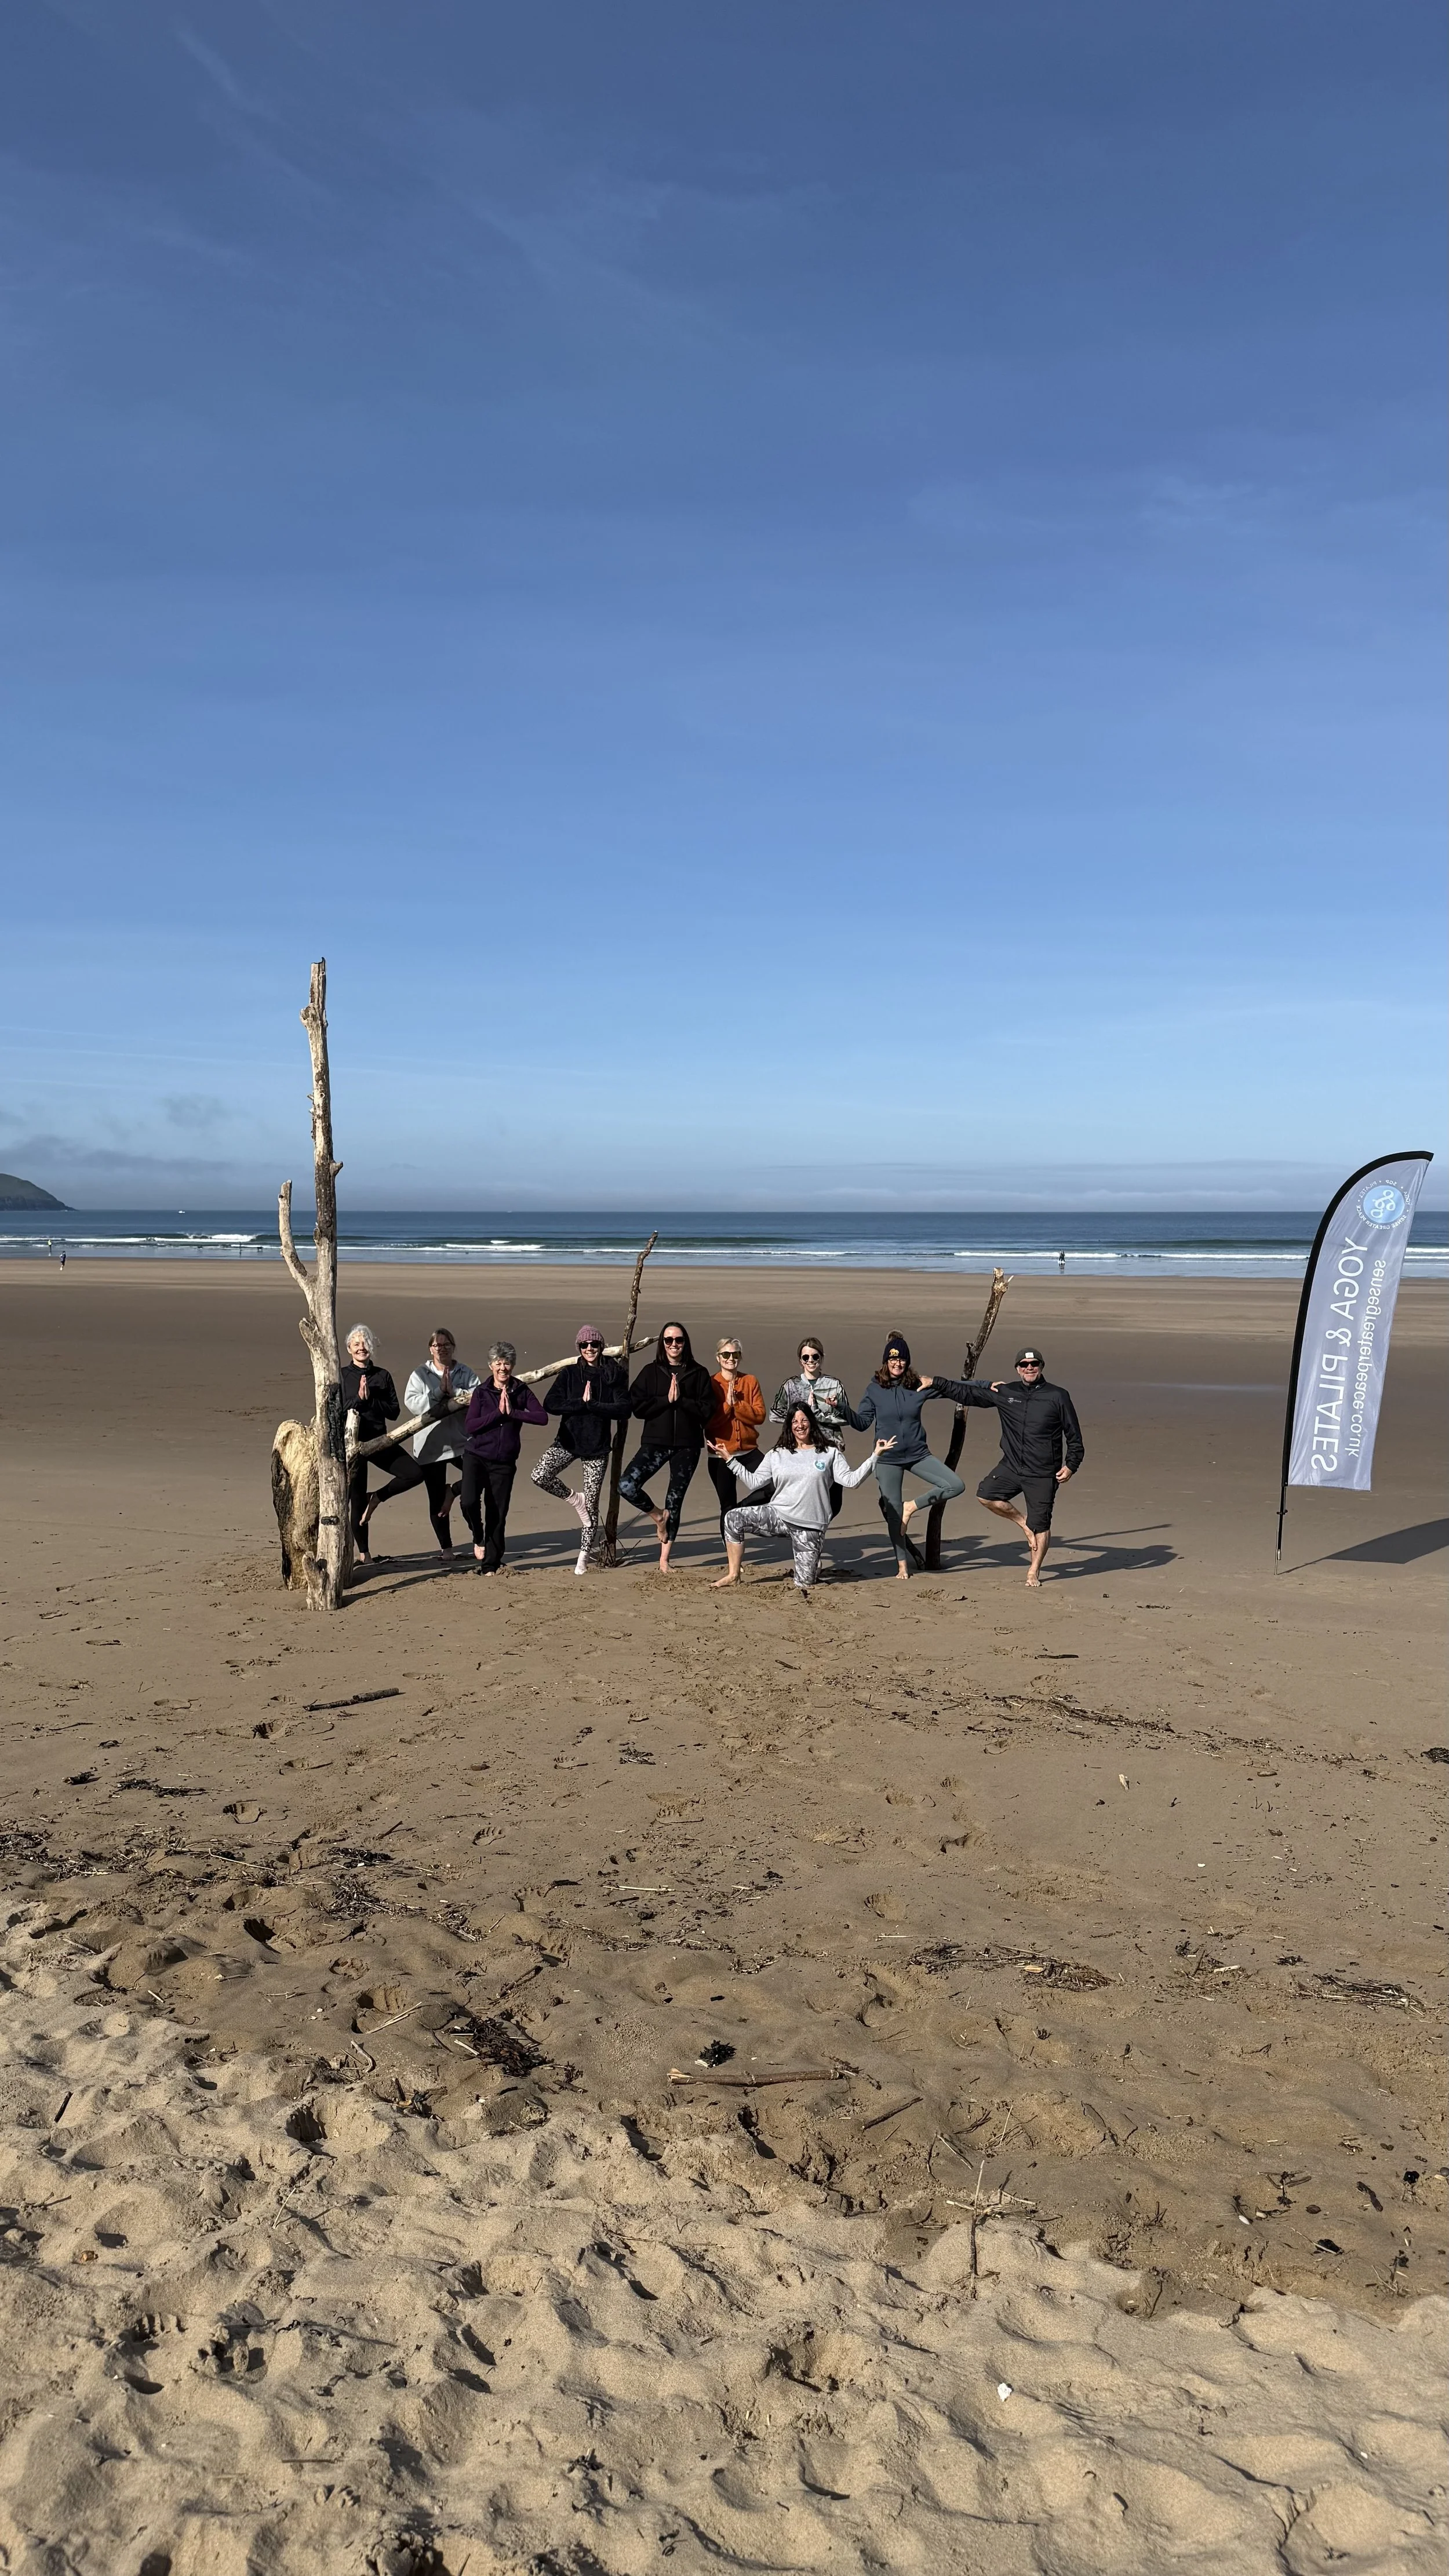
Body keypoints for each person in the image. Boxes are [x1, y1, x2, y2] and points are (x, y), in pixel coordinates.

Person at [711, 1405, 891, 1595]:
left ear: (812, 1423)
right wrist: (730, 1460)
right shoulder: (777, 1453)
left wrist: (875, 1456)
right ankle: (733, 1575)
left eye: (804, 1420)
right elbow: (754, 1482)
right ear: (789, 1426)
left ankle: (813, 1564)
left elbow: (852, 1481)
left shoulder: (829, 1453)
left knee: (804, 1584)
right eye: (795, 1421)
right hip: (778, 1516)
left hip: (810, 1526)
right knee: (732, 1518)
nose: (800, 1425)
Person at [957, 1345, 1084, 1588]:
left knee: (1042, 1525)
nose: (1029, 1368)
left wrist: (1071, 1465)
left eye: (1034, 1364)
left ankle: (1033, 1571)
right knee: (985, 1495)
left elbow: (1074, 1436)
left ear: (1041, 1367)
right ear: (1017, 1369)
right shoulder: (1007, 1392)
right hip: (1012, 1467)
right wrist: (935, 1384)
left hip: (1044, 1473)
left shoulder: (1058, 1396)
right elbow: (967, 1394)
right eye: (1024, 1365)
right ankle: (1023, 1522)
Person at [854, 1331, 973, 1580]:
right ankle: (902, 1565)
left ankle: (912, 1506)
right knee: (893, 1513)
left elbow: (956, 1389)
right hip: (887, 1458)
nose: (898, 1364)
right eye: (893, 1359)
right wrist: (841, 1409)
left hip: (918, 1454)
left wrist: (987, 1387)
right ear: (886, 1361)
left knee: (955, 1485)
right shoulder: (875, 1389)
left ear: (908, 1362)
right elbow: (862, 1422)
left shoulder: (917, 1384)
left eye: (902, 1360)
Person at [361, 1327, 479, 1559]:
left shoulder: (465, 1372)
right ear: (430, 1349)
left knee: (479, 1478)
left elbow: (479, 1400)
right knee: (436, 1500)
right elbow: (413, 1405)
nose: (442, 1349)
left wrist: (454, 1391)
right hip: (430, 1446)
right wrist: (438, 1392)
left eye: (447, 1345)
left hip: (461, 1443)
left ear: (453, 1347)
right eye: (438, 1345)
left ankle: (457, 1498)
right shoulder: (420, 1373)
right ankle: (447, 1549)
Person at [533, 1326, 631, 1575]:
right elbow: (551, 1404)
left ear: (601, 1347)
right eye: (585, 1345)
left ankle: (583, 1558)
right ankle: (573, 1498)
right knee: (539, 1476)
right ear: (579, 1348)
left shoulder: (613, 1373)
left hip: (597, 1448)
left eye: (594, 1345)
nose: (590, 1349)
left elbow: (624, 1409)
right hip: (568, 1441)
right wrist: (580, 1404)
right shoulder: (569, 1374)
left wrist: (596, 1406)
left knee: (592, 1506)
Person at [620, 1322, 715, 1571]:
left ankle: (664, 1560)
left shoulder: (699, 1372)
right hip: (656, 1442)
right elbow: (637, 1407)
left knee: (675, 1499)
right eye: (669, 1340)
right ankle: (657, 1516)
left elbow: (707, 1411)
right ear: (662, 1343)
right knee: (626, 1485)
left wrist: (682, 1401)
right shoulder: (651, 1372)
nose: (674, 1345)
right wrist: (665, 1400)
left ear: (686, 1343)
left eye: (679, 1340)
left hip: (687, 1445)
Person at [461, 1340, 548, 1574]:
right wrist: (498, 1414)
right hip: (476, 1455)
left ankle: (491, 1563)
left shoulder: (520, 1390)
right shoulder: (482, 1392)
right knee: (468, 1501)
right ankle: (477, 1535)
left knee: (497, 1512)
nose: (503, 1368)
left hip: (504, 1462)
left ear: (513, 1365)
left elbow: (542, 1417)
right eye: (498, 1363)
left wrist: (514, 1413)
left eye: (507, 1363)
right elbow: (471, 1426)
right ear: (491, 1366)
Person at [769, 1336, 862, 1520]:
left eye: (815, 1357)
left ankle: (813, 1531)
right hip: (801, 1452)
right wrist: (799, 1418)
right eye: (806, 1358)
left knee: (834, 1505)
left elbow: (845, 1418)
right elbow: (774, 1414)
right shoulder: (791, 1386)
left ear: (822, 1358)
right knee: (804, 1500)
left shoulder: (834, 1385)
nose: (811, 1361)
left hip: (830, 1449)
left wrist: (818, 1415)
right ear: (800, 1361)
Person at [341, 1324, 401, 1564]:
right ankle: (364, 1555)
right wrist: (358, 1400)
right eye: (357, 1344)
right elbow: (336, 1409)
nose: (361, 1347)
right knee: (355, 1500)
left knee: (414, 1473)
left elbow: (394, 1412)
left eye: (365, 1343)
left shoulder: (382, 1375)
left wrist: (371, 1400)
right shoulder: (342, 1375)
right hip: (351, 1445)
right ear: (349, 1349)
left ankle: (375, 1497)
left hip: (377, 1441)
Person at [705, 1336, 767, 1537]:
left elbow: (759, 1416)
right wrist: (726, 1406)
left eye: (735, 1354)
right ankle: (732, 1558)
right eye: (726, 1354)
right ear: (718, 1358)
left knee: (775, 1484)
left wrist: (737, 1406)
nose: (731, 1358)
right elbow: (709, 1422)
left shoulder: (750, 1381)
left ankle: (742, 1509)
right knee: (726, 1505)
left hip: (749, 1451)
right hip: (721, 1455)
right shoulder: (711, 1384)